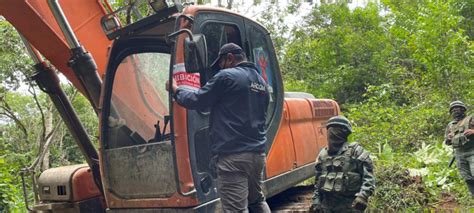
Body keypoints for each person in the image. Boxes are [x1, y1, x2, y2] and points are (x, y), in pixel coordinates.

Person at [166, 43, 271, 212]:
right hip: (257, 156)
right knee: (256, 201)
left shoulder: (226, 76)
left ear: (229, 58)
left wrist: (176, 90)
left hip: (233, 158)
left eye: (221, 63)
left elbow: (198, 100)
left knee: (236, 209)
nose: (220, 68)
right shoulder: (261, 82)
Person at [310, 116, 375, 212]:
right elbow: (318, 181)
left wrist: (363, 196)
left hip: (350, 207)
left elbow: (368, 177)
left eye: (336, 130)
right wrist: (316, 200)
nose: (332, 133)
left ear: (344, 133)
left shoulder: (356, 151)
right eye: (331, 130)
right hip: (327, 207)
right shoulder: (323, 155)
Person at [444, 101, 474, 195]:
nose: (455, 111)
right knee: (467, 178)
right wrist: (448, 138)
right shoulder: (450, 125)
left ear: (463, 110)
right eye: (453, 109)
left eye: (457, 108)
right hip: (459, 154)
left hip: (472, 150)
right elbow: (446, 141)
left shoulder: (471, 119)